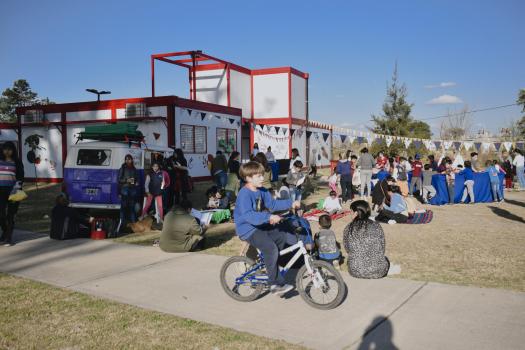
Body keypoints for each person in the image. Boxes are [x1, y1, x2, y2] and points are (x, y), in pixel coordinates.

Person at [233, 161, 302, 295]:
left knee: (281, 236)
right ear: (248, 178)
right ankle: (274, 284)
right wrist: (269, 218)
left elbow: (273, 204)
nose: (262, 178)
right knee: (270, 248)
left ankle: (272, 266)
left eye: (262, 175)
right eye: (258, 176)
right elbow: (248, 215)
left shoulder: (262, 190)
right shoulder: (244, 194)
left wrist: (291, 203)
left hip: (259, 224)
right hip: (248, 229)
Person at [343, 200, 390, 279]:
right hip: (378, 270)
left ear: (356, 213)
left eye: (351, 211)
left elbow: (347, 249)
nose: (350, 214)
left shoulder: (349, 228)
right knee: (386, 259)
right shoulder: (376, 226)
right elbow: (382, 247)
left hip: (356, 270)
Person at [0, 141, 24, 246]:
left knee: (11, 215)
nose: (7, 151)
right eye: (5, 149)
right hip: (1, 191)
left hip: (14, 190)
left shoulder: (17, 162)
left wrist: (17, 187)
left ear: (13, 150)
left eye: (9, 149)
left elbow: (20, 176)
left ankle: (8, 238)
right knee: (1, 214)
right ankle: (5, 232)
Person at [118, 154, 139, 226]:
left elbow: (136, 178)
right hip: (125, 189)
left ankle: (133, 223)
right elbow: (119, 179)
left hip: (133, 189)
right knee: (123, 207)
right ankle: (121, 223)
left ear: (132, 160)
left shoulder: (134, 168)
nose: (128, 160)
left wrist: (136, 182)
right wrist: (127, 180)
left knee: (132, 207)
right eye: (126, 159)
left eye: (129, 159)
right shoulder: (123, 168)